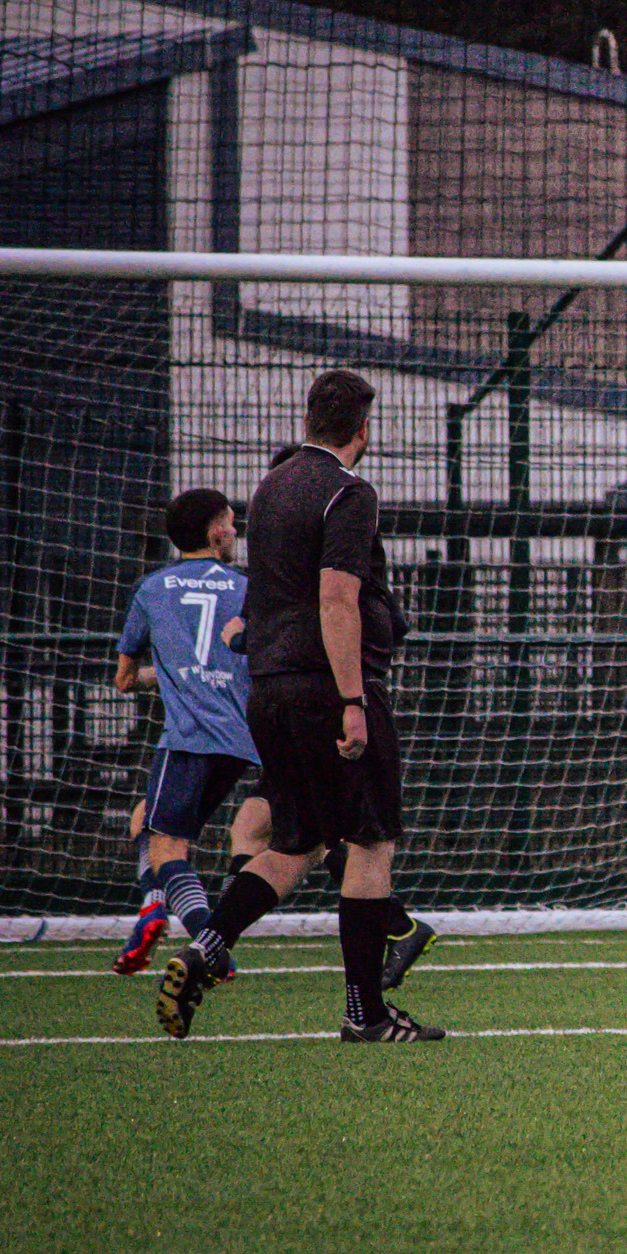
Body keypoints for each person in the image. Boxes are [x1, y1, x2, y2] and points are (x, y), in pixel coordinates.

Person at [155, 372, 438, 1042]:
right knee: (370, 843)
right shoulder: (348, 490)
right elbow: (336, 598)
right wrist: (352, 700)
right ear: (361, 429)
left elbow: (270, 586)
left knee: (296, 843)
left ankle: (206, 947)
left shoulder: (271, 484)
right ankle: (365, 1013)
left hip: (270, 690)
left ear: (309, 417)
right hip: (326, 686)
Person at [108, 488, 268, 976]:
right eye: (232, 522)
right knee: (149, 818)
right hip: (240, 742)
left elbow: (124, 677)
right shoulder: (246, 588)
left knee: (162, 843)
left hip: (187, 738)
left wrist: (170, 671)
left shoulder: (153, 587)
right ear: (216, 531)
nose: (236, 530)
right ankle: (156, 913)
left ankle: (208, 947)